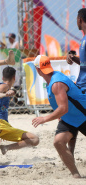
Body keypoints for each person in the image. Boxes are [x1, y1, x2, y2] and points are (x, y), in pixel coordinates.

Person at [32, 55, 86, 178]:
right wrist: (60, 114)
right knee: (58, 142)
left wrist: (44, 118)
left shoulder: (56, 83)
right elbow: (62, 106)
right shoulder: (53, 77)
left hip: (83, 114)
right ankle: (76, 175)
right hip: (69, 117)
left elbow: (63, 108)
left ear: (38, 70)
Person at [0, 66, 39, 167]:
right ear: (14, 78)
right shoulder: (3, 86)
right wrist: (5, 94)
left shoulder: (6, 87)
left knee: (35, 139)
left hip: (2, 123)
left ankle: (6, 148)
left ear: (2, 76)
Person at [66, 8, 86, 156]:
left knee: (70, 115)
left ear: (80, 19)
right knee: (70, 116)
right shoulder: (83, 40)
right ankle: (70, 155)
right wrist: (75, 59)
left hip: (84, 88)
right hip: (81, 86)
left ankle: (70, 155)